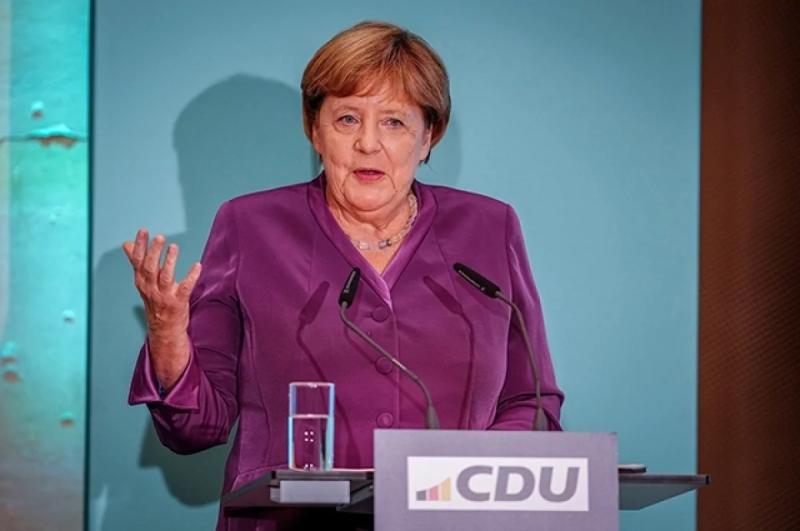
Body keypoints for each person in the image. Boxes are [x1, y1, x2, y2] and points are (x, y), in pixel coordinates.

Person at [125, 21, 564, 531]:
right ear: (315, 130)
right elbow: (196, 429)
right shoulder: (250, 227)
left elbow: (531, 402)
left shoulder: (488, 228)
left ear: (429, 136)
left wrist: (467, 481)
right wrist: (167, 334)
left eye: (394, 122)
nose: (368, 143)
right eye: (348, 119)